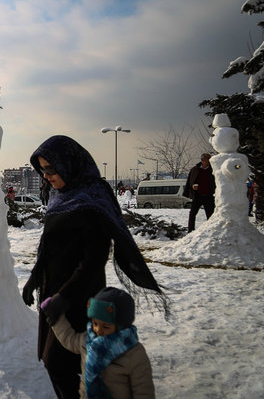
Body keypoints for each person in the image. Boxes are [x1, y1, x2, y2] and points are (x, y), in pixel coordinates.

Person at [21, 135, 168, 399]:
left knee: (68, 364)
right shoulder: (58, 196)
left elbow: (93, 261)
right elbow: (48, 245)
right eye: (42, 170)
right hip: (53, 291)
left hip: (80, 296)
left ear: (69, 164)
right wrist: (34, 278)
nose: (46, 176)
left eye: (51, 169)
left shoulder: (93, 199)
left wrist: (63, 299)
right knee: (53, 363)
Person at [43, 287, 155, 399]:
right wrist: (56, 319)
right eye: (95, 323)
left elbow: (143, 391)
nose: (98, 330)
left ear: (121, 327)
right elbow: (70, 339)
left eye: (106, 326)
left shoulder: (134, 354)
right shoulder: (89, 339)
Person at [183, 153, 216, 232]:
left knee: (210, 215)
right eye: (204, 160)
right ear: (202, 160)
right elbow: (189, 181)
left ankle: (211, 231)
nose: (206, 161)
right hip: (197, 195)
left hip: (209, 195)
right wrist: (191, 188)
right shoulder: (195, 169)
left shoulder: (213, 170)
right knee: (192, 214)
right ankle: (190, 231)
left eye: (208, 160)